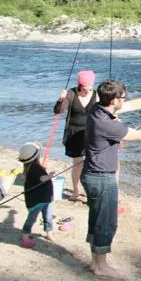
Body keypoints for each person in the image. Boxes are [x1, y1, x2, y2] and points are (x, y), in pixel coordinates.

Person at [82, 79, 141, 279]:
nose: (125, 100)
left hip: (92, 175)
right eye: (122, 98)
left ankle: (96, 262)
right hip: (102, 178)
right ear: (113, 100)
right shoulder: (106, 124)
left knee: (97, 220)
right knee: (106, 222)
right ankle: (100, 266)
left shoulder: (97, 109)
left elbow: (131, 106)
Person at [54, 70, 98, 201]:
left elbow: (103, 113)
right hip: (74, 134)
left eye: (90, 86)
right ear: (80, 85)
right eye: (86, 87)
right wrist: (61, 99)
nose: (89, 89)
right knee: (77, 163)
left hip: (92, 133)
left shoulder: (96, 94)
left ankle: (91, 192)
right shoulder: (71, 93)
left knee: (92, 163)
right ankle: (75, 191)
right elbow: (58, 111)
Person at [18, 142, 55, 248]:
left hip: (43, 198)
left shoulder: (31, 167)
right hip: (39, 199)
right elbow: (43, 179)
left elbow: (39, 177)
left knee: (46, 216)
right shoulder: (35, 168)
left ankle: (49, 232)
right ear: (35, 157)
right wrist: (50, 175)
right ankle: (25, 233)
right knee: (34, 217)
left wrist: (43, 170)